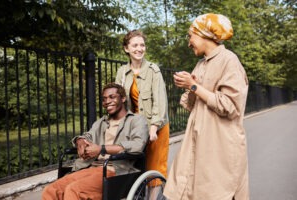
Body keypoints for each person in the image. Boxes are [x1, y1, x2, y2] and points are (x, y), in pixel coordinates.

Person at [163, 13, 249, 200]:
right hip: (198, 143)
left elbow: (229, 106)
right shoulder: (200, 65)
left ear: (204, 34)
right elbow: (190, 104)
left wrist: (194, 86)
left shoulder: (229, 60)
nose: (189, 42)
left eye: (190, 36)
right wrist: (190, 87)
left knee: (217, 192)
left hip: (219, 147)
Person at [42, 83, 149, 200]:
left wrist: (101, 149)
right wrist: (80, 141)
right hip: (91, 167)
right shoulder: (101, 122)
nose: (107, 101)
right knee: (51, 190)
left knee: (74, 191)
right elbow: (88, 136)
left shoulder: (137, 120)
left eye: (112, 97)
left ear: (123, 98)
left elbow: (137, 145)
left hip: (115, 171)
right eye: (104, 99)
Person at [115, 30, 169, 191]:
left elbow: (159, 100)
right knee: (132, 166)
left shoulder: (153, 70)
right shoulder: (122, 73)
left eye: (142, 45)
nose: (139, 48)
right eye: (135, 45)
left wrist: (153, 127)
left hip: (156, 126)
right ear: (126, 49)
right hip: (136, 127)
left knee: (154, 169)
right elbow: (118, 102)